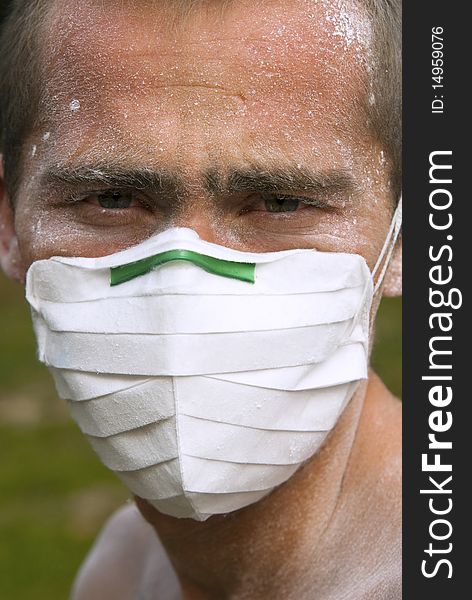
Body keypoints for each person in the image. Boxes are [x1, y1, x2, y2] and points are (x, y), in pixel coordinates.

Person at [0, 0, 402, 598]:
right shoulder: (123, 570)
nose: (181, 287)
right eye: (111, 198)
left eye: (281, 202)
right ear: (8, 221)